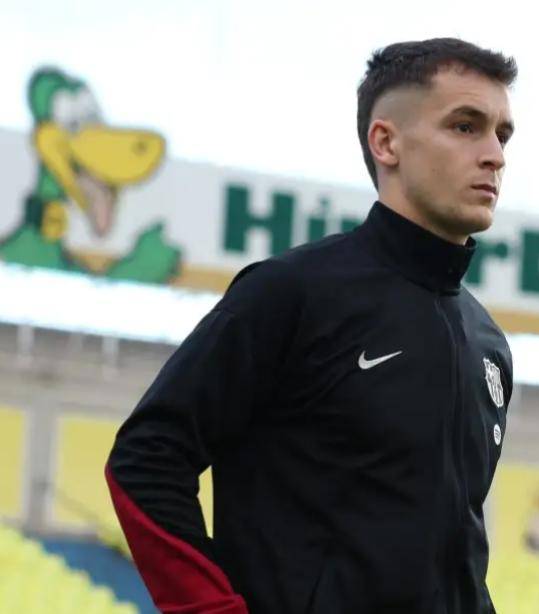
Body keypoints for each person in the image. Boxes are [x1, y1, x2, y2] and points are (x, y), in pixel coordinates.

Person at [106, 37, 517, 614]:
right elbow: (146, 459)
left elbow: (453, 553)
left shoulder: (488, 344)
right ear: (387, 142)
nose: (494, 155)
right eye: (465, 126)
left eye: (503, 134)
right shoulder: (292, 293)